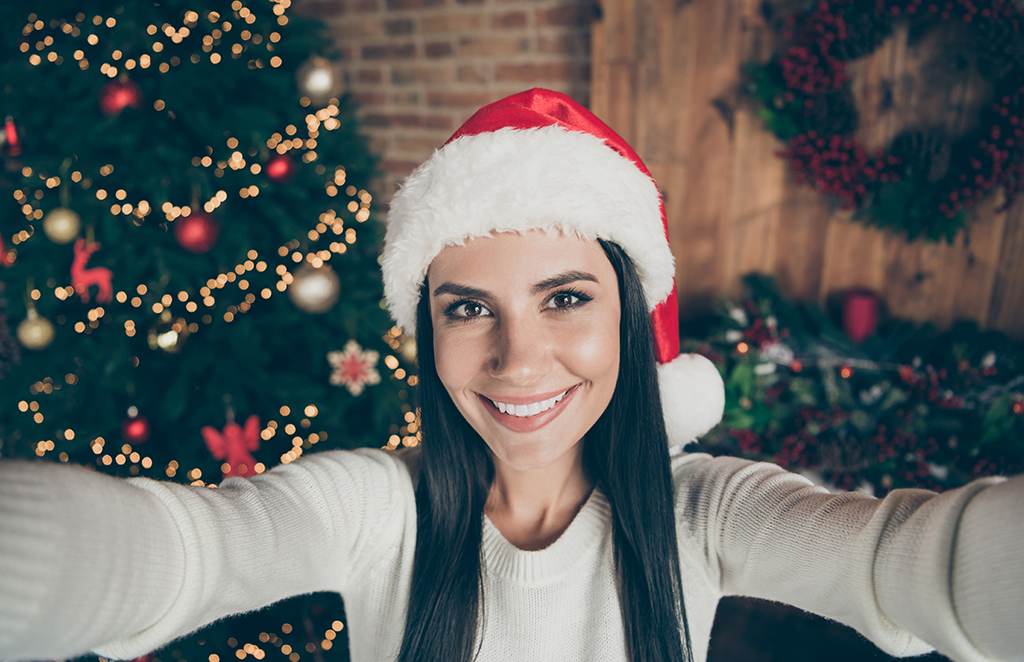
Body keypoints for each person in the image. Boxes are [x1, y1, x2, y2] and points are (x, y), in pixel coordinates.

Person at [0, 88, 1021, 662]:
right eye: (467, 307)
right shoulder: (377, 509)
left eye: (565, 297)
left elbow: (912, 561)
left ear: (628, 313)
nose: (516, 358)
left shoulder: (700, 511)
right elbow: (186, 549)